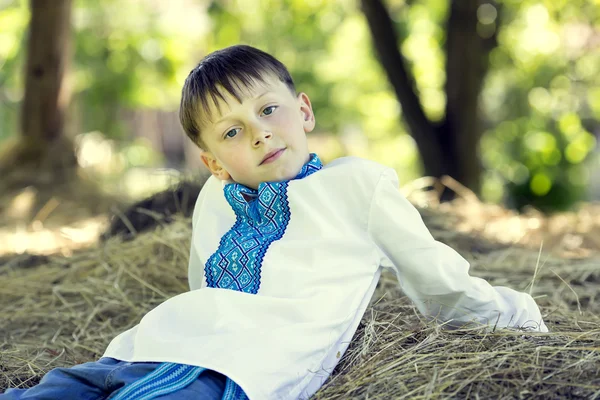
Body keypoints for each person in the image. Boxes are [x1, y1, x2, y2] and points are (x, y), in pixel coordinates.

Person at [1, 44, 548, 400]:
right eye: (232, 132)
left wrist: (516, 313)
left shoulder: (355, 185)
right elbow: (203, 288)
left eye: (268, 110)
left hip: (241, 369)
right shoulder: (215, 198)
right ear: (212, 162)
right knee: (50, 391)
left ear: (304, 110)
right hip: (148, 345)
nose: (259, 133)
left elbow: (435, 277)